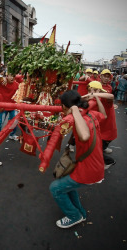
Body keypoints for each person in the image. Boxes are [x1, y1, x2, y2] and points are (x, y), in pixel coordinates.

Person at [49, 90, 106, 229]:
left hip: (89, 170)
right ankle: (80, 212)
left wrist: (74, 110)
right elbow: (104, 115)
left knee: (55, 188)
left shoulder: (79, 117)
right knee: (66, 185)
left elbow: (85, 136)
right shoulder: (91, 114)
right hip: (94, 165)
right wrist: (96, 98)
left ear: (65, 107)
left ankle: (74, 216)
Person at [99, 69, 117, 167]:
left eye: (108, 77)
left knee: (106, 134)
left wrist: (93, 93)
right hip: (100, 114)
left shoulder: (109, 88)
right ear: (100, 76)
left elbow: (106, 95)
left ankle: (108, 159)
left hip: (106, 115)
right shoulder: (97, 84)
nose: (106, 78)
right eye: (104, 76)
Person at [0, 73, 19, 140]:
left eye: (13, 76)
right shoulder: (2, 83)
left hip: (13, 106)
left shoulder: (16, 84)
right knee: (1, 121)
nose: (12, 77)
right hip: (3, 106)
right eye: (10, 76)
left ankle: (12, 134)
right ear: (7, 76)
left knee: (15, 121)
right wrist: (3, 78)